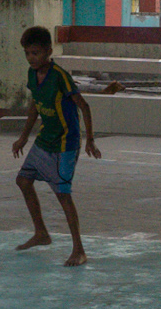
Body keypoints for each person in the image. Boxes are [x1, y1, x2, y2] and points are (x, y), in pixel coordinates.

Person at [12, 24, 103, 267]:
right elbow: (35, 106)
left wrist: (90, 140)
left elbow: (84, 106)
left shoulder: (60, 76)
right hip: (45, 139)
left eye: (36, 53)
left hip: (65, 142)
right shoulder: (32, 75)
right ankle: (41, 233)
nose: (31, 58)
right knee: (23, 180)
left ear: (48, 52)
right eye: (28, 54)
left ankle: (79, 250)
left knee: (63, 194)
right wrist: (23, 136)